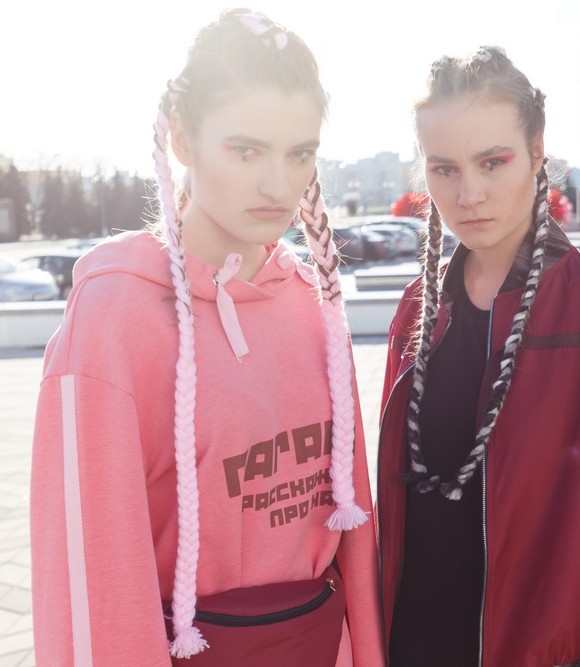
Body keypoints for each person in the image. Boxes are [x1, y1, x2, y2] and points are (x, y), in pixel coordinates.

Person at [30, 10, 383, 666]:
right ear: (183, 140)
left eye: (300, 153)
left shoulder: (313, 303)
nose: (279, 184)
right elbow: (93, 581)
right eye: (246, 151)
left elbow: (354, 530)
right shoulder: (115, 319)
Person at [377, 45, 580, 666]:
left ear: (537, 148)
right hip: (412, 644)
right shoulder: (418, 308)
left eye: (493, 161)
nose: (469, 193)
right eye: (444, 168)